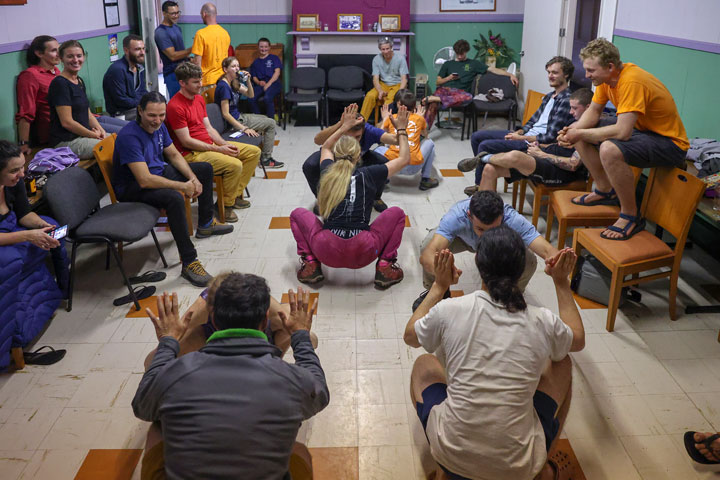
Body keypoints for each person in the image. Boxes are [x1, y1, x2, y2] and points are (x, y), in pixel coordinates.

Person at [403, 229, 585, 480]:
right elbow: (577, 339)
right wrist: (561, 283)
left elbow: (410, 336)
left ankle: (444, 471)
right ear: (522, 270)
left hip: (453, 458)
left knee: (424, 365)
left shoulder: (450, 309)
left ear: (479, 264)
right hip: (518, 469)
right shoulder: (541, 320)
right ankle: (541, 469)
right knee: (563, 362)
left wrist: (439, 286)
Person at [132, 275, 329, 479]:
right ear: (264, 322)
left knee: (157, 427)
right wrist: (301, 336)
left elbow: (142, 406)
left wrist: (167, 342)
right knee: (298, 451)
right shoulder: (291, 380)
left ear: (214, 320)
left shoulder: (176, 373)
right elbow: (319, 393)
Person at [558, 38, 689, 240]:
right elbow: (593, 112)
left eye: (591, 70)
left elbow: (622, 133)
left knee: (609, 149)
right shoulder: (605, 80)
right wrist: (571, 131)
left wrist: (580, 132)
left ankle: (630, 215)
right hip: (644, 133)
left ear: (610, 66)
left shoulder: (631, 81)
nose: (586, 75)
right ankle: (604, 190)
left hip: (670, 144)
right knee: (580, 131)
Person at [113, 92, 233, 287]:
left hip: (157, 172)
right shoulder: (129, 136)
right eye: (152, 115)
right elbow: (144, 180)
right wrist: (183, 186)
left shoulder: (160, 128)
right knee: (175, 198)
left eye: (161, 115)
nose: (157, 120)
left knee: (204, 169)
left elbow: (175, 155)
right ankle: (189, 262)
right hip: (132, 186)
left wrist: (193, 179)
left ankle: (206, 223)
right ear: (140, 111)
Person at [290, 104, 411, 289]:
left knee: (297, 214)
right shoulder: (370, 174)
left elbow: (326, 146)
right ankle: (385, 266)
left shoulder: (327, 171)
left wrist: (343, 127)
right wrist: (401, 128)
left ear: (336, 154)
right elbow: (404, 159)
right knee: (398, 213)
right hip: (364, 252)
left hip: (325, 250)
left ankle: (311, 264)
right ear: (358, 156)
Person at [416, 190, 560, 308]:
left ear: (502, 217)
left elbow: (547, 250)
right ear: (469, 216)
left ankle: (509, 295)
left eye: (492, 228)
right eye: (481, 229)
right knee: (427, 244)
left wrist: (558, 262)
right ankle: (435, 292)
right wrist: (442, 276)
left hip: (498, 244)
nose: (486, 235)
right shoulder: (456, 216)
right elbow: (427, 254)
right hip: (464, 240)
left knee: (529, 261)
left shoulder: (512, 219)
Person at [0, 140, 69, 370]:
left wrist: (41, 226)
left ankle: (61, 291)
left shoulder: (14, 183)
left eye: (22, 167)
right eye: (13, 170)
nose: (21, 174)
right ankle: (14, 342)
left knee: (52, 228)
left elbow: (23, 214)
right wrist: (29, 236)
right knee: (12, 263)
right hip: (6, 241)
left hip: (13, 231)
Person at [459, 56, 576, 189]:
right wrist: (520, 131)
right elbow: (533, 120)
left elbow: (550, 136)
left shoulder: (566, 100)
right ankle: (483, 177)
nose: (550, 76)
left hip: (535, 144)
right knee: (476, 137)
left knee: (486, 146)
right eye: (549, 72)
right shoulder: (550, 96)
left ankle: (481, 185)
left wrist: (521, 137)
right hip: (525, 135)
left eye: (554, 73)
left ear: (566, 74)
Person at [166, 61, 261, 223]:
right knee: (234, 164)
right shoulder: (175, 106)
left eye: (200, 80)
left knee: (253, 152)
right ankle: (226, 205)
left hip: (209, 145)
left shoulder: (198, 99)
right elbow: (186, 141)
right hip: (191, 154)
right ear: (182, 83)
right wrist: (219, 150)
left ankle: (231, 197)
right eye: (195, 82)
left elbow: (209, 128)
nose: (200, 85)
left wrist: (222, 144)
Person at [466, 88, 594, 194]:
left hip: (560, 172)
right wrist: (540, 145)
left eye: (575, 108)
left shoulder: (590, 131)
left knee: (516, 155)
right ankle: (483, 212)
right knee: (489, 169)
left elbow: (573, 165)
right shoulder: (575, 122)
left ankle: (482, 158)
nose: (571, 112)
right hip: (544, 155)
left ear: (588, 107)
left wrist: (542, 154)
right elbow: (556, 142)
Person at [302, 103, 398, 212]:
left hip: (359, 158)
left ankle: (376, 197)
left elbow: (395, 140)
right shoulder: (340, 128)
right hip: (335, 158)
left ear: (363, 130)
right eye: (349, 136)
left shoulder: (369, 130)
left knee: (383, 162)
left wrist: (401, 128)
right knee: (309, 165)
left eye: (357, 137)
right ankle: (322, 198)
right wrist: (341, 125)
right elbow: (317, 140)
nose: (353, 141)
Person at [48, 40, 127, 159]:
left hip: (84, 136)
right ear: (61, 59)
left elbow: (87, 112)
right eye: (70, 56)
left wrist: (101, 131)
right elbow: (67, 122)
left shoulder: (79, 80)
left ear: (84, 57)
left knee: (124, 140)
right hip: (66, 142)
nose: (75, 60)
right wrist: (92, 135)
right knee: (116, 147)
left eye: (79, 56)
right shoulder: (60, 84)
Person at [424, 39, 518, 130]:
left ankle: (437, 99)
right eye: (458, 54)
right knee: (432, 104)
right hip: (445, 90)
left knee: (469, 97)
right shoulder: (447, 64)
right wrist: (449, 78)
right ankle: (423, 130)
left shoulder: (474, 64)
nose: (460, 56)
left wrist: (510, 74)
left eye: (462, 53)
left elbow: (493, 69)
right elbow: (438, 82)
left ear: (466, 51)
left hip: (461, 94)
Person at [215, 56, 284, 169]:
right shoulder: (224, 86)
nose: (237, 69)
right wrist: (244, 128)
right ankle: (266, 159)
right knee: (271, 123)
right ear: (225, 69)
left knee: (264, 118)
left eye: (238, 66)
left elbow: (250, 95)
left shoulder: (233, 82)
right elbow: (226, 114)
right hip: (235, 121)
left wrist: (248, 81)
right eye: (233, 66)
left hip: (239, 116)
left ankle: (259, 154)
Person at [374, 89, 439, 190]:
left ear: (399, 104)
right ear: (414, 105)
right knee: (429, 143)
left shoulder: (392, 118)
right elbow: (426, 136)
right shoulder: (419, 119)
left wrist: (385, 119)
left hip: (392, 166)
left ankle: (383, 179)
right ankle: (425, 179)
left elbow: (379, 135)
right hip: (413, 168)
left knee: (377, 149)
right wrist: (421, 119)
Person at [15, 35, 61, 153]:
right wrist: (24, 143)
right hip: (55, 134)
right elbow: (25, 112)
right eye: (53, 50)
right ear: (39, 53)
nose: (58, 53)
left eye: (59, 49)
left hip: (73, 124)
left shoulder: (56, 71)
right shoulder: (30, 75)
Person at [359, 36, 409, 122]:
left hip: (397, 85)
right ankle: (361, 122)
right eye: (383, 49)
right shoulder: (376, 59)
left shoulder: (400, 59)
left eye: (387, 48)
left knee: (388, 102)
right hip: (383, 84)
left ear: (391, 47)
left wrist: (399, 93)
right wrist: (380, 91)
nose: (386, 51)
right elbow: (375, 79)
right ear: (380, 49)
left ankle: (384, 125)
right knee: (369, 96)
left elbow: (404, 79)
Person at [102, 34, 148, 120]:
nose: (142, 53)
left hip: (135, 107)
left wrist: (151, 99)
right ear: (126, 50)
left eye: (143, 48)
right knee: (150, 117)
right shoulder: (117, 70)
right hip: (121, 113)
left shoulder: (139, 68)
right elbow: (121, 101)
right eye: (137, 49)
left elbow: (142, 91)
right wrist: (144, 102)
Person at [154, 0, 191, 99]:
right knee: (177, 103)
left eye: (178, 12)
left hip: (184, 72)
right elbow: (173, 56)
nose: (176, 16)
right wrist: (193, 49)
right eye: (173, 13)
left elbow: (180, 50)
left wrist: (189, 59)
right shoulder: (161, 32)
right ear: (164, 13)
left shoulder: (177, 28)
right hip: (172, 74)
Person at [191, 2, 230, 90]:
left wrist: (197, 81)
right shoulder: (225, 33)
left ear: (204, 14)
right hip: (223, 80)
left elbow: (197, 62)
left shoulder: (200, 34)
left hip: (207, 81)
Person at [248, 37, 283, 120]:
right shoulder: (255, 62)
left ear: (269, 47)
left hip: (274, 83)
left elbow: (277, 73)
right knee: (250, 98)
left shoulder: (274, 58)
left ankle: (270, 122)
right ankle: (260, 120)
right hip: (261, 84)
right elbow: (254, 77)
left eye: (266, 47)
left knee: (267, 98)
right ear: (258, 47)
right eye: (261, 47)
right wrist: (259, 82)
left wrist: (268, 84)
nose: (264, 49)